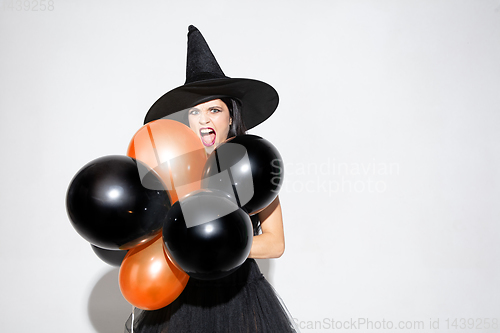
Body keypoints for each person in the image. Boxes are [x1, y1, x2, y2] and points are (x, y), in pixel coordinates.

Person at [125, 25, 299, 333]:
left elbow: (276, 243)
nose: (204, 119)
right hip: (182, 297)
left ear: (230, 116)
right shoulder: (170, 167)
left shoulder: (250, 166)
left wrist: (223, 245)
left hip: (239, 295)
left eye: (214, 109)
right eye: (195, 112)